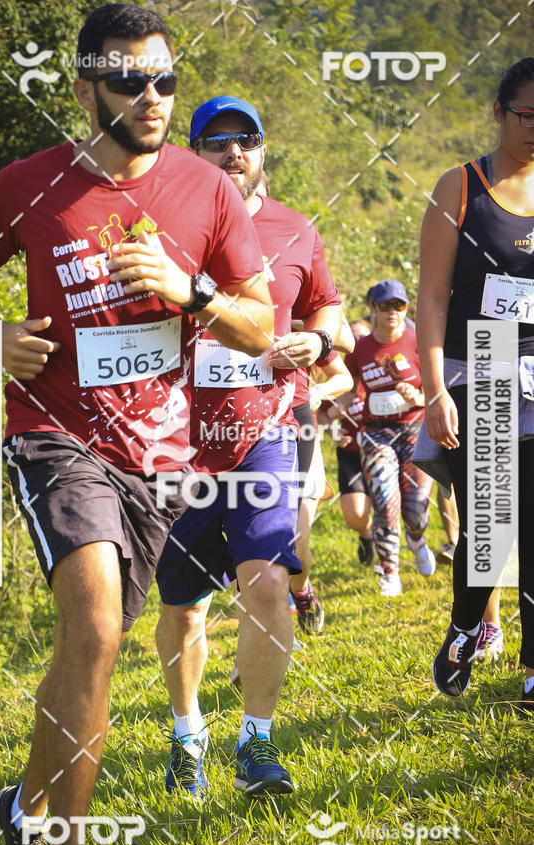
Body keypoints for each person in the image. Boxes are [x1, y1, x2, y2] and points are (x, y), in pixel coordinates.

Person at [0, 7, 275, 845]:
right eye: (130, 80)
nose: (153, 97)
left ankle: (28, 811)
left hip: (154, 460)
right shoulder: (28, 185)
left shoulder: (206, 192)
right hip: (51, 432)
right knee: (90, 624)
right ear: (86, 89)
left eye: (166, 80)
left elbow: (261, 325)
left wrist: (192, 293)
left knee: (101, 646)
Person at [154, 94, 350, 798]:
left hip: (267, 432)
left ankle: (256, 743)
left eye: (248, 138)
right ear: (193, 152)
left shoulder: (297, 230)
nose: (234, 150)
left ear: (264, 150)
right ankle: (187, 734)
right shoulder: (160, 228)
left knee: (268, 581)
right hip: (177, 446)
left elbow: (330, 306)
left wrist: (320, 338)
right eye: (217, 141)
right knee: (183, 610)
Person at [416, 57, 534, 708]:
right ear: (499, 111)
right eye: (527, 115)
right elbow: (431, 298)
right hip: (479, 361)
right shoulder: (460, 186)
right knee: (492, 526)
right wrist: (435, 388)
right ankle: (467, 625)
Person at [345, 280, 436, 597]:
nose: (393, 312)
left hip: (415, 429)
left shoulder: (419, 341)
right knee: (384, 500)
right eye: (385, 306)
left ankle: (417, 537)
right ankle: (390, 572)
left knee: (417, 509)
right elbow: (347, 386)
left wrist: (419, 396)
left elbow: (438, 387)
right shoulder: (361, 349)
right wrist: (333, 411)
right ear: (372, 309)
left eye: (399, 305)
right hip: (375, 433)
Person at [289, 353, 354, 630]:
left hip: (301, 435)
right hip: (245, 436)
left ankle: (301, 590)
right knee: (254, 543)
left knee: (296, 540)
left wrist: (318, 390)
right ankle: (269, 634)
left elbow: (344, 373)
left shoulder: (298, 316)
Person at [328, 319, 374, 566]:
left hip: (383, 447)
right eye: (353, 339)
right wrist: (332, 431)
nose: (358, 344)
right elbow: (322, 411)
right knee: (356, 515)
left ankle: (390, 566)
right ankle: (367, 535)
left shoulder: (382, 368)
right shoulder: (340, 373)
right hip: (350, 452)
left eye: (363, 338)